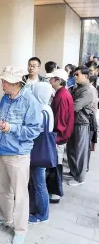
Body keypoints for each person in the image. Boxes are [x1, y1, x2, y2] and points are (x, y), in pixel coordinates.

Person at [0, 66, 42, 244]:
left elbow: (34, 130)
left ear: (16, 83)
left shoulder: (30, 101)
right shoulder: (5, 98)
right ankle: (5, 217)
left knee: (19, 193)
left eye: (5, 81)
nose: (2, 84)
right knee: (1, 188)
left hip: (18, 154)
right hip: (0, 150)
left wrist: (11, 128)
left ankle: (20, 229)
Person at [29, 82, 54, 224]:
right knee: (36, 182)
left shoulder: (42, 110)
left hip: (38, 150)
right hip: (40, 150)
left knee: (39, 184)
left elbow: (35, 131)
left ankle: (43, 215)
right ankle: (35, 210)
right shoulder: (47, 108)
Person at [48, 69, 74, 203]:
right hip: (60, 136)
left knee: (56, 165)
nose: (50, 80)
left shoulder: (62, 96)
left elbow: (61, 120)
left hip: (59, 137)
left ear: (58, 80)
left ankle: (55, 193)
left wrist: (55, 138)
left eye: (52, 78)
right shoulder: (61, 93)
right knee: (55, 164)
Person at [66, 66, 94, 186]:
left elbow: (75, 106)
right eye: (75, 74)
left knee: (80, 151)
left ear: (86, 76)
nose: (75, 77)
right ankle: (74, 172)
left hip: (82, 124)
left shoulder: (87, 91)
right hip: (73, 122)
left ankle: (80, 178)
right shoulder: (77, 88)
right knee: (71, 149)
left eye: (78, 75)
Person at [88, 75, 98, 172]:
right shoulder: (92, 89)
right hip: (91, 117)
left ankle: (85, 167)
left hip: (90, 119)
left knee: (87, 145)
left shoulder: (90, 90)